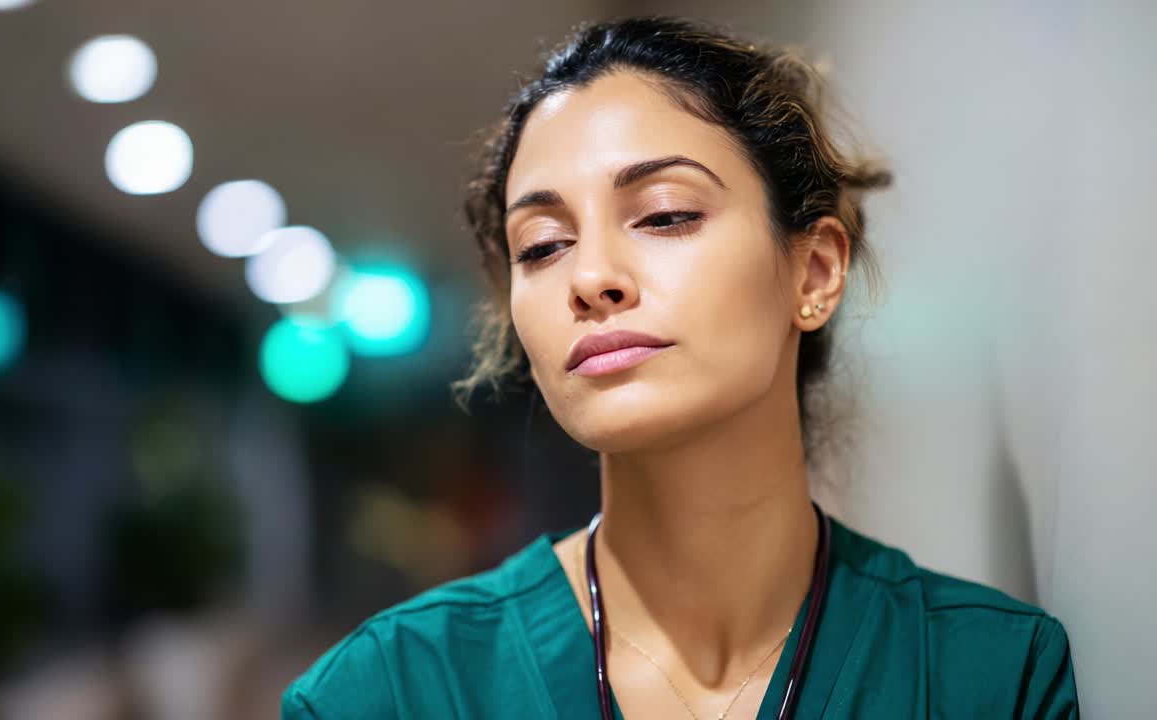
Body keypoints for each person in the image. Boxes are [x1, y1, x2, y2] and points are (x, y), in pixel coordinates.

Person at [282, 16, 1079, 719]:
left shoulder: (989, 678)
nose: (590, 278)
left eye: (666, 214)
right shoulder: (388, 691)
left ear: (814, 273)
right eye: (543, 246)